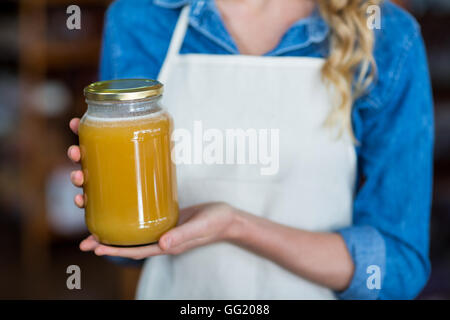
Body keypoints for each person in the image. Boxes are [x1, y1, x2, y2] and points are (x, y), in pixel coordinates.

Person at [67, 0, 434, 299]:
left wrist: (236, 226)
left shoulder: (387, 36)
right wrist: (118, 210)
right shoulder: (138, 18)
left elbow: (397, 267)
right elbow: (128, 254)